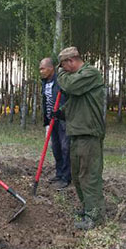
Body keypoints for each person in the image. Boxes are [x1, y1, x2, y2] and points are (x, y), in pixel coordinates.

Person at [57, 47, 105, 230]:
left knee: (89, 176)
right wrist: (61, 113)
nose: (62, 69)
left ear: (71, 61)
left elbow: (70, 86)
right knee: (77, 176)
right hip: (77, 132)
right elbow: (77, 101)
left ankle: (95, 216)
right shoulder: (79, 78)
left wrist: (60, 75)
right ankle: (87, 209)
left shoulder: (90, 73)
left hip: (89, 133)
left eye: (63, 66)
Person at [39, 57, 71, 190]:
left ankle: (66, 177)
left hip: (62, 120)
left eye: (43, 68)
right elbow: (46, 101)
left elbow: (68, 100)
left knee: (65, 148)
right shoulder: (45, 82)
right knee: (56, 148)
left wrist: (61, 112)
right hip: (51, 120)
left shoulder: (61, 81)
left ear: (51, 68)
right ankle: (59, 173)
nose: (40, 71)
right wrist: (47, 119)